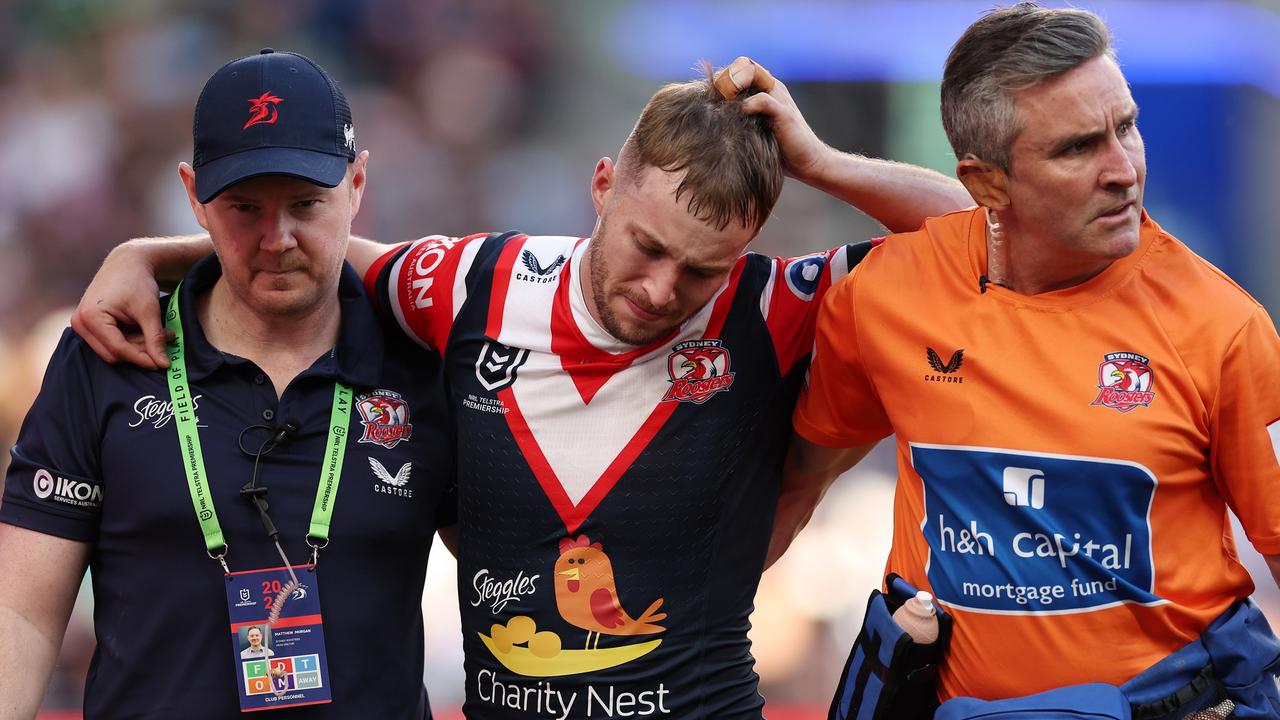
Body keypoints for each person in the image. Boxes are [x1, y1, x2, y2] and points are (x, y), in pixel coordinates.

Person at [68, 62, 971, 718]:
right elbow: (306, 249)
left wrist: (818, 162)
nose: (661, 290)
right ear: (602, 187)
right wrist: (146, 254)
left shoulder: (773, 307)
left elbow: (972, 238)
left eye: (700, 271)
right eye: (646, 247)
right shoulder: (468, 287)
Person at [776, 3, 1280, 715]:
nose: (1121, 169)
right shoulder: (886, 294)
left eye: (1126, 127)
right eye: (1077, 147)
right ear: (987, 184)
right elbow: (800, 479)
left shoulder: (1223, 326)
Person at [0, 49, 455, 718]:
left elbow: (508, 577)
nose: (278, 238)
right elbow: (22, 615)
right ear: (194, 195)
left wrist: (143, 253)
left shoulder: (424, 358)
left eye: (307, 204)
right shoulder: (107, 351)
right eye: (245, 208)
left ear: (358, 185)